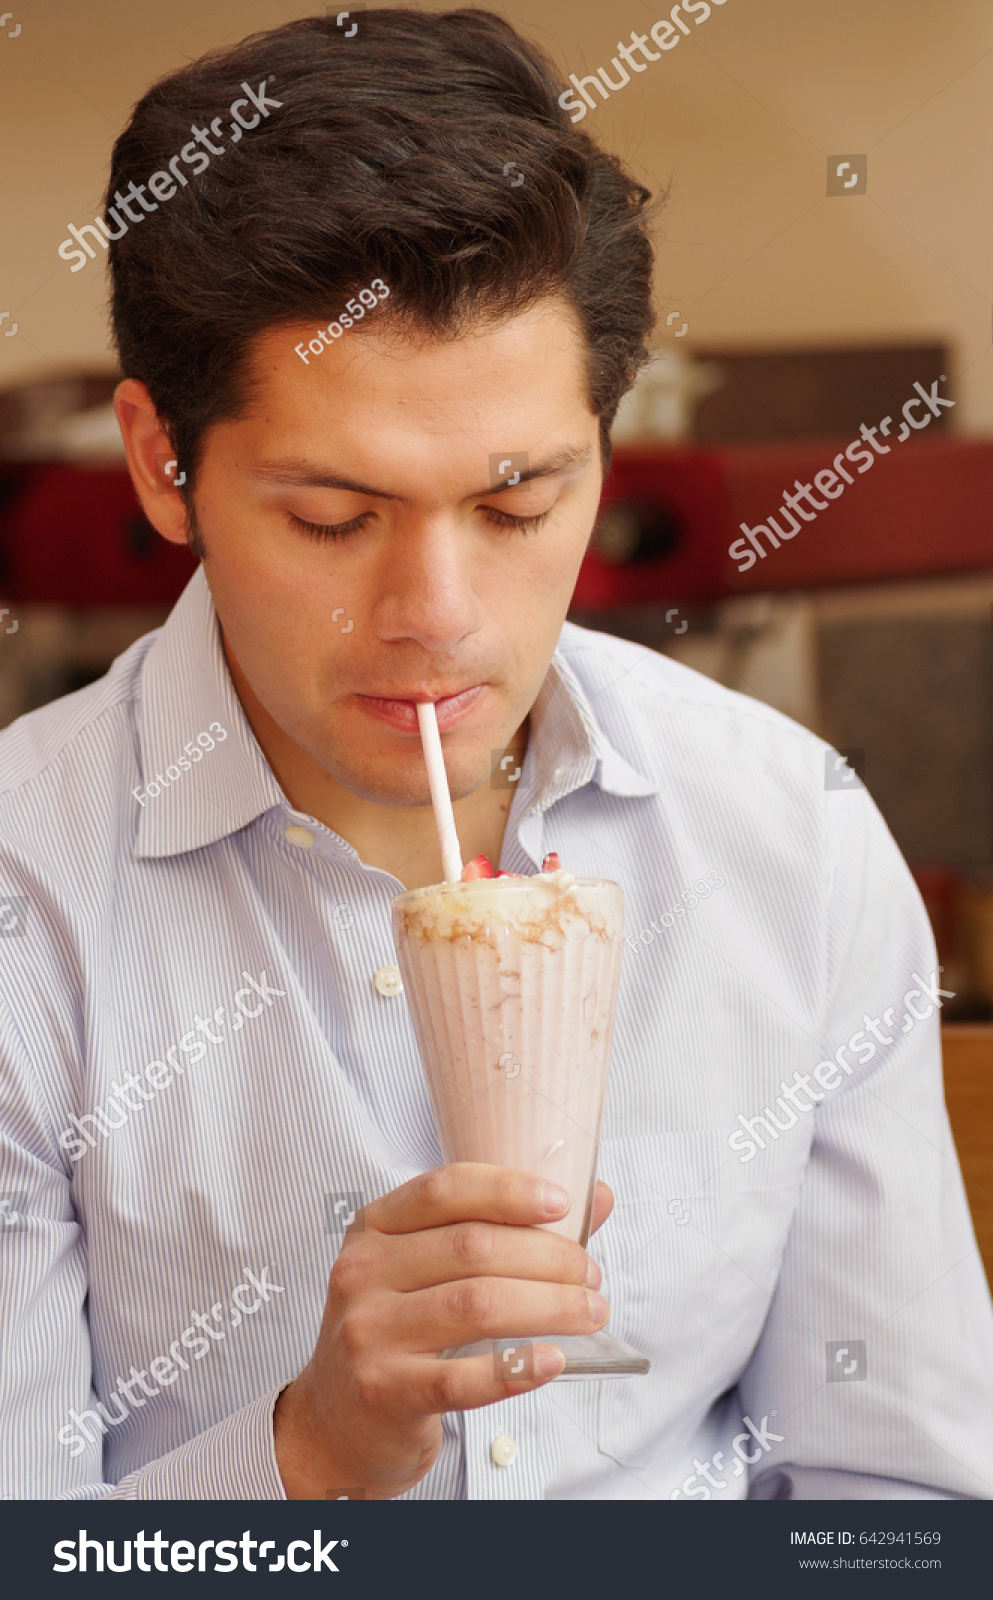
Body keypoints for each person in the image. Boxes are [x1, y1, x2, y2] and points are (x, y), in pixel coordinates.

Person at [2, 8, 991, 1503]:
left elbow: (901, 1507)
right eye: (333, 518)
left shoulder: (784, 830)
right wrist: (312, 1455)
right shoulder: (32, 896)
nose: (437, 618)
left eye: (520, 503)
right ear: (163, 463)